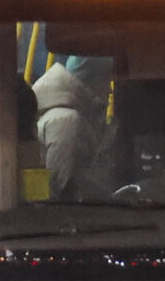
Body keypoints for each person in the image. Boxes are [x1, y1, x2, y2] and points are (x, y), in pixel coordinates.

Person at [33, 53, 115, 198]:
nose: (110, 89)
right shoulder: (68, 123)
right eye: (106, 80)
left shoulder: (65, 115)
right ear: (92, 80)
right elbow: (62, 190)